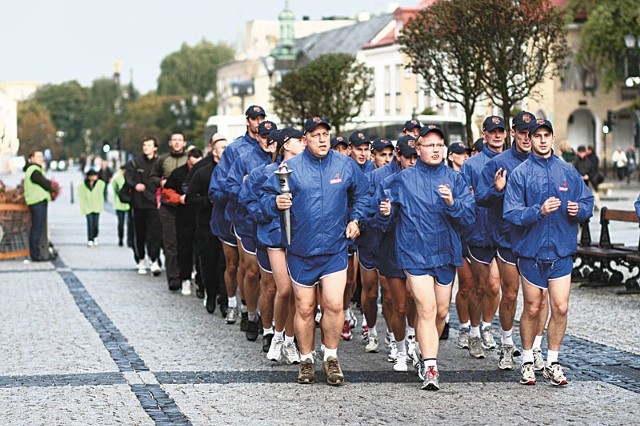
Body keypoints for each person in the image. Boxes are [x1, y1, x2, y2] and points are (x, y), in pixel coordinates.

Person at [262, 117, 370, 386]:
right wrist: (275, 202)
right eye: (315, 135)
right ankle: (307, 358)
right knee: (306, 307)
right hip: (301, 249)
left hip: (334, 247)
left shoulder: (344, 164)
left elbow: (363, 194)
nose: (322, 139)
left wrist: (356, 220)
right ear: (305, 139)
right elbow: (262, 201)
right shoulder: (290, 168)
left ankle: (331, 358)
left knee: (334, 304)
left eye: (326, 134)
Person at [378, 124, 475, 390]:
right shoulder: (403, 179)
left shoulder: (455, 179)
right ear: (417, 149)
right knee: (426, 307)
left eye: (438, 145)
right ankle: (431, 367)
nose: (434, 149)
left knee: (441, 311)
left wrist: (452, 204)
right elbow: (381, 212)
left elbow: (469, 218)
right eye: (429, 145)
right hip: (414, 253)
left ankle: (424, 351)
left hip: (445, 252)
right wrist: (384, 212)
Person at [504, 118, 593, 386]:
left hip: (561, 252)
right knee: (532, 307)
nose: (542, 140)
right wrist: (537, 211)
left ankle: (553, 361)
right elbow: (511, 212)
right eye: (537, 136)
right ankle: (528, 360)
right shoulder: (520, 173)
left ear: (553, 138)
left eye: (547, 135)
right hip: (531, 253)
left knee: (561, 307)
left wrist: (581, 209)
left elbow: (587, 201)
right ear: (528, 140)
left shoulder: (567, 171)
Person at [476, 111, 549, 371]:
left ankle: (536, 348)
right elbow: (481, 198)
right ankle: (507, 343)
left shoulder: (547, 162)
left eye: (532, 133)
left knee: (539, 298)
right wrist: (497, 191)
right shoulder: (500, 161)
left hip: (538, 239)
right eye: (522, 132)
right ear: (514, 133)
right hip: (508, 238)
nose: (528, 138)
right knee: (510, 294)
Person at [244, 127, 305, 364]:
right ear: (286, 144)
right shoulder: (265, 173)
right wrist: (274, 204)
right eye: (299, 140)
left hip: (300, 237)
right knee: (285, 289)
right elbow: (249, 205)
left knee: (298, 294)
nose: (304, 143)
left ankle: (290, 341)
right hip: (274, 236)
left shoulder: (309, 171)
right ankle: (276, 335)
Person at [209, 105, 267, 329]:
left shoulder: (273, 146)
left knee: (263, 271)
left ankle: (259, 312)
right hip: (239, 215)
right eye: (255, 118)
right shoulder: (235, 150)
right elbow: (222, 184)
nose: (258, 122)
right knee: (240, 265)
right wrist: (242, 188)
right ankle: (241, 305)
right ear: (247, 121)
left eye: (262, 118)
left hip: (266, 216)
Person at [367, 135, 419, 371]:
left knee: (416, 299)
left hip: (418, 248)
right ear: (399, 155)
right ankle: (398, 348)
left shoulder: (426, 178)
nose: (412, 161)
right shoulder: (383, 180)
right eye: (408, 157)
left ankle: (412, 339)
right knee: (395, 301)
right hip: (391, 247)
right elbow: (372, 217)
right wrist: (384, 214)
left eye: (416, 157)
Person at [225, 121, 278, 343]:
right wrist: (247, 188)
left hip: (271, 225)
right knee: (251, 271)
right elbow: (230, 186)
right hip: (247, 221)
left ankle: (273, 325)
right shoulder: (244, 159)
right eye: (264, 136)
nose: (268, 141)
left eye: (272, 137)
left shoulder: (282, 161)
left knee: (273, 279)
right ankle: (251, 314)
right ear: (257, 137)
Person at [459, 116, 506, 359]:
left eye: (501, 131)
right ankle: (474, 332)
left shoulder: (511, 161)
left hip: (503, 233)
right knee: (479, 285)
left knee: (496, 285)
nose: (497, 135)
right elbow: (466, 198)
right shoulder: (471, 165)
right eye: (492, 131)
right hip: (478, 232)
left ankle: (487, 327)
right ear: (484, 134)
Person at [186, 134, 229, 315]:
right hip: (206, 224)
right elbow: (190, 198)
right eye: (222, 147)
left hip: (227, 224)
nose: (226, 151)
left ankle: (225, 299)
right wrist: (208, 201)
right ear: (213, 151)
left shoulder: (232, 170)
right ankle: (210, 294)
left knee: (226, 264)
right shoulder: (202, 172)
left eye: (228, 147)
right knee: (209, 262)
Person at [162, 148, 203, 295]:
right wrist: (178, 198)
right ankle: (185, 278)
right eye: (192, 165)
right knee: (184, 249)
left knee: (201, 252)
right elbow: (166, 190)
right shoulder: (178, 173)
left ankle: (200, 281)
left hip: (201, 217)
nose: (194, 168)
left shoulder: (205, 171)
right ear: (187, 160)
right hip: (183, 217)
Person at [151, 132, 188, 291]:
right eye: (174, 140)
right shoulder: (162, 160)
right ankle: (173, 278)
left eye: (180, 140)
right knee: (170, 243)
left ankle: (185, 273)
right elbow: (152, 176)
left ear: (184, 143)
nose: (177, 143)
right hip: (168, 207)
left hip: (185, 207)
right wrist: (160, 181)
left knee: (185, 242)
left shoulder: (189, 160)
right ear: (170, 143)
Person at [125, 136, 162, 276]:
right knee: (139, 233)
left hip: (154, 204)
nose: (146, 147)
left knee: (155, 233)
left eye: (149, 145)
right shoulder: (134, 163)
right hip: (138, 204)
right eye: (144, 144)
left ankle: (154, 260)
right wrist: (135, 185)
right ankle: (140, 259)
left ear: (155, 148)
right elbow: (128, 178)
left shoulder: (159, 163)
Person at [23, 150, 56, 261]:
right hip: (37, 202)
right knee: (37, 228)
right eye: (38, 156)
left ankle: (39, 252)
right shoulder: (33, 170)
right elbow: (44, 183)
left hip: (37, 201)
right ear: (31, 158)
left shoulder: (35, 169)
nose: (41, 158)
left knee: (38, 228)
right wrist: (52, 187)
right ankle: (36, 254)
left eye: (41, 156)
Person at [77, 169, 106, 247]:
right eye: (92, 176)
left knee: (96, 224)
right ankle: (90, 239)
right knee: (90, 224)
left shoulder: (100, 184)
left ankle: (95, 237)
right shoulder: (83, 186)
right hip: (88, 207)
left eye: (95, 176)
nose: (94, 177)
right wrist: (82, 207)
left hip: (97, 207)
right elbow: (81, 196)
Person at [573, 146, 601, 211]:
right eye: (581, 152)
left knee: (592, 193)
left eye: (583, 152)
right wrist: (580, 176)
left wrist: (588, 176)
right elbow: (573, 171)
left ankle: (593, 205)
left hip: (589, 181)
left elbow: (593, 170)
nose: (582, 154)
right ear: (578, 153)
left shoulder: (588, 160)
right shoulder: (576, 161)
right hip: (579, 182)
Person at [111, 166, 132, 247]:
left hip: (123, 204)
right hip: (124, 204)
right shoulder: (120, 179)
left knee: (123, 223)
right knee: (125, 223)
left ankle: (123, 239)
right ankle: (125, 240)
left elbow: (114, 189)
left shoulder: (118, 179)